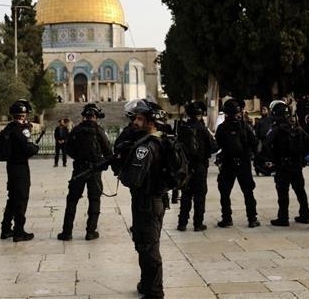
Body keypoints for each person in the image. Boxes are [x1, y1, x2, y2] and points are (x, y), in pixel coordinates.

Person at [119, 99, 168, 298]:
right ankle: (146, 284)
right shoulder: (161, 138)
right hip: (155, 200)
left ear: (150, 122)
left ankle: (154, 292)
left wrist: (123, 171)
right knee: (145, 243)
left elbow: (132, 179)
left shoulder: (145, 147)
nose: (135, 122)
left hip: (147, 202)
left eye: (140, 119)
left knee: (148, 246)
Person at [57, 103, 112, 241]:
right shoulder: (99, 131)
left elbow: (68, 148)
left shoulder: (76, 130)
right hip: (94, 171)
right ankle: (90, 231)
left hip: (79, 170)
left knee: (72, 200)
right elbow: (108, 151)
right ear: (96, 117)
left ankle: (67, 232)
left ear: (84, 116)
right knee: (94, 200)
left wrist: (79, 158)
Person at [215, 98, 260, 228]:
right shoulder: (245, 126)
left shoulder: (222, 128)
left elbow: (218, 144)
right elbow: (255, 143)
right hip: (243, 163)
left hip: (228, 163)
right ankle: (252, 219)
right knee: (248, 192)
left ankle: (227, 218)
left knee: (224, 192)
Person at [265, 100, 309, 226]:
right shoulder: (296, 127)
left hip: (282, 165)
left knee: (283, 192)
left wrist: (272, 160)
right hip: (296, 165)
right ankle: (305, 215)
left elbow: (267, 145)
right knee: (300, 191)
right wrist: (302, 158)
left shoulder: (276, 129)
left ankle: (283, 217)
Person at [0, 99, 39, 242]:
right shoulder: (22, 130)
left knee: (12, 198)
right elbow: (29, 148)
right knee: (21, 199)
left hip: (11, 166)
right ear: (23, 115)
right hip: (21, 168)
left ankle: (5, 229)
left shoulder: (8, 128)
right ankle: (19, 232)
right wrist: (35, 147)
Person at [177, 101, 218, 232]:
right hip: (200, 166)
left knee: (186, 194)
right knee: (200, 195)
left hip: (186, 167)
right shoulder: (202, 129)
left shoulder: (182, 129)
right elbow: (213, 147)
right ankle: (198, 223)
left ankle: (182, 223)